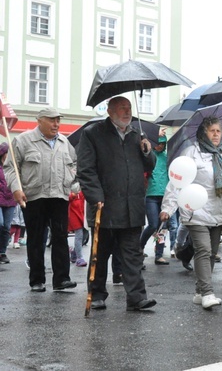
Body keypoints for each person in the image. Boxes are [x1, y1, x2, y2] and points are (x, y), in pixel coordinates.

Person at [76, 97, 156, 310]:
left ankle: (137, 298)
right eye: (122, 108)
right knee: (100, 254)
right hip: (104, 205)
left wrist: (148, 151)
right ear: (110, 111)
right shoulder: (93, 133)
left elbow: (150, 165)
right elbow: (85, 169)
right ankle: (97, 294)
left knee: (133, 255)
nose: (127, 112)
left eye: (129, 108)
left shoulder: (137, 134)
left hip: (132, 206)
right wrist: (95, 196)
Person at [160, 116, 222, 309]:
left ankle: (199, 292)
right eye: (212, 130)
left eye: (218, 131)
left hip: (217, 210)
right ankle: (207, 292)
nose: (216, 134)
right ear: (203, 132)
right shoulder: (191, 152)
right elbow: (177, 182)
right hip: (195, 210)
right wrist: (167, 208)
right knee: (204, 251)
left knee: (212, 252)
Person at [4, 108, 77, 292]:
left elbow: (74, 164)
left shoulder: (64, 142)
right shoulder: (23, 140)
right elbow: (11, 167)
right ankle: (37, 279)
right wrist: (16, 189)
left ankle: (61, 279)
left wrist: (70, 180)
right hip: (34, 196)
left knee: (60, 237)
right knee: (36, 238)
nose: (56, 124)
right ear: (40, 120)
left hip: (59, 196)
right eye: (52, 120)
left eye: (58, 120)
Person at [140, 128, 170, 265]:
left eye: (162, 144)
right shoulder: (148, 155)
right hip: (151, 194)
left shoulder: (167, 158)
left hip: (164, 195)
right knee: (153, 224)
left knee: (162, 228)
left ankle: (159, 254)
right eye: (157, 143)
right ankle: (139, 248)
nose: (160, 146)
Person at [0, 142, 17, 263]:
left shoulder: (14, 166)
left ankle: (2, 252)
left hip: (11, 200)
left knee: (6, 227)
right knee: (0, 224)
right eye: (7, 153)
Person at [67, 182, 87, 267]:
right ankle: (79, 258)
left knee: (84, 235)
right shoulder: (72, 193)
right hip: (74, 215)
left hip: (82, 215)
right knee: (79, 236)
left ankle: (75, 253)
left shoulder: (82, 192)